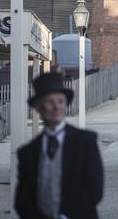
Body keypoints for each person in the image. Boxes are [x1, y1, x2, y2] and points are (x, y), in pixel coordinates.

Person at [15, 72, 104, 219]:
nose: (56, 107)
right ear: (38, 107)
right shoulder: (27, 153)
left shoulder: (85, 142)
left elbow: (95, 189)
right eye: (50, 102)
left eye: (61, 101)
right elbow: (22, 200)